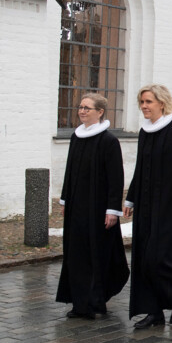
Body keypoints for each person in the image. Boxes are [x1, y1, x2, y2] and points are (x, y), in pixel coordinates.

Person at [124, 84, 172, 329]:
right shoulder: (145, 132)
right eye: (142, 102)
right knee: (143, 260)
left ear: (162, 103)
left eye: (148, 102)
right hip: (146, 206)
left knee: (161, 257)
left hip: (171, 206)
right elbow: (140, 167)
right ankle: (153, 311)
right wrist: (130, 198)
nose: (144, 106)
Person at [56, 93, 129, 320]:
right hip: (77, 207)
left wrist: (112, 210)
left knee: (95, 254)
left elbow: (116, 178)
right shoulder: (76, 137)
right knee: (76, 254)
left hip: (98, 209)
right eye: (80, 107)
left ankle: (95, 301)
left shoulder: (108, 141)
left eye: (87, 108)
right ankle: (79, 303)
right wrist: (65, 200)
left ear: (100, 112)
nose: (82, 111)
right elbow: (69, 172)